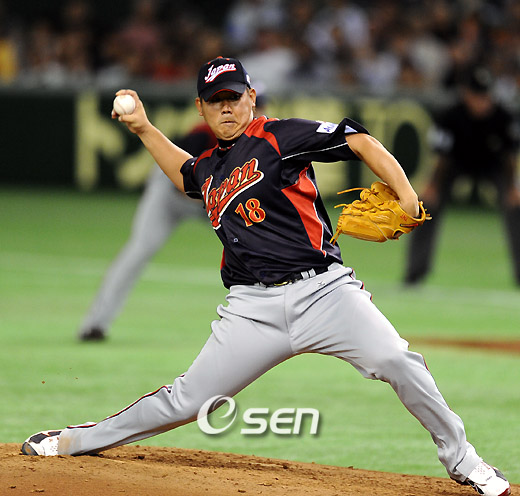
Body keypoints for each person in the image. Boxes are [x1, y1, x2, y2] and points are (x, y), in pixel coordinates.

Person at [21, 57, 510, 496]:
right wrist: (145, 128)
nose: (227, 107)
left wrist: (405, 193)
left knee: (397, 360)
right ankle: (74, 441)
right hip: (251, 311)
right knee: (188, 401)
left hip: (325, 293)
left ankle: (464, 460)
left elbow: (358, 139)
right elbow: (186, 175)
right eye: (216, 100)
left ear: (251, 97)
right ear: (201, 108)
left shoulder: (280, 136)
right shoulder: (210, 168)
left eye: (234, 97)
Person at [78, 92, 268, 341]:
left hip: (214, 201)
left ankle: (264, 322)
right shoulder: (205, 133)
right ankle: (95, 324)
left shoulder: (262, 143)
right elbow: (182, 178)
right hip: (169, 192)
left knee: (256, 245)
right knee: (139, 250)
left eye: (258, 105)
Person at [404, 66, 520, 286]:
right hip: (455, 164)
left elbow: (510, 156)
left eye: (486, 96)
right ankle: (415, 273)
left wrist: (513, 188)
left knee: (516, 207)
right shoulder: (450, 115)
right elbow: (441, 157)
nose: (482, 102)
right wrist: (432, 186)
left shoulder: (503, 116)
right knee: (426, 205)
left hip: (493, 165)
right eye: (477, 96)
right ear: (466, 94)